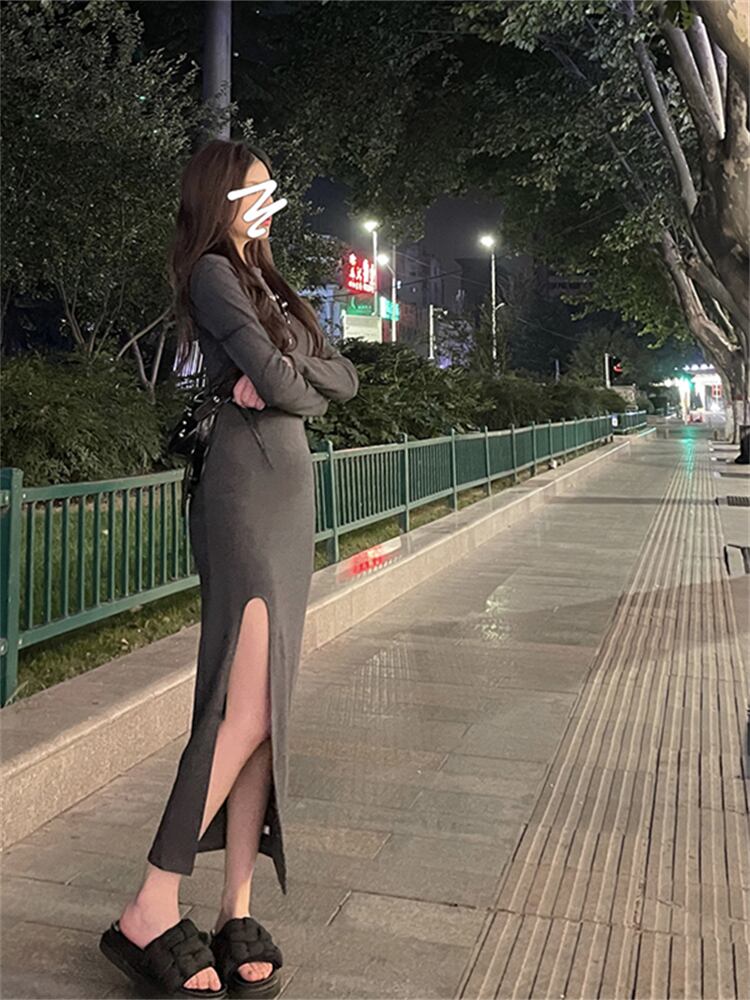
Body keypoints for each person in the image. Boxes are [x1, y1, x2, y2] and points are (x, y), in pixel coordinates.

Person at [99, 138, 359, 999]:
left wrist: (293, 377)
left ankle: (234, 907)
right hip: (244, 490)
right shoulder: (213, 272)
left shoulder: (271, 282)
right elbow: (283, 385)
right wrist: (290, 382)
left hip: (289, 492)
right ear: (220, 199)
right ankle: (151, 903)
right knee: (239, 708)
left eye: (269, 192)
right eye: (251, 193)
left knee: (267, 714)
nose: (264, 205)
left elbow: (340, 379)